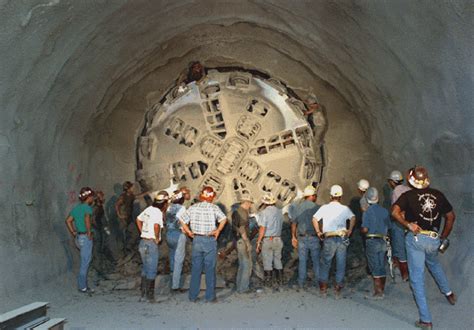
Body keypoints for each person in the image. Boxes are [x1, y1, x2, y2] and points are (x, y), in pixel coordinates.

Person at [392, 166, 456, 329]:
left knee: (417, 278)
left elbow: (394, 212)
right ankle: (449, 294)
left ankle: (426, 319)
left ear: (411, 180)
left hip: (416, 239)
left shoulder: (407, 196)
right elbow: (450, 216)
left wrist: (408, 224)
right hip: (433, 239)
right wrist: (443, 236)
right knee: (434, 264)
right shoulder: (438, 195)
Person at [180, 186, 227, 302]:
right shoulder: (214, 208)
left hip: (197, 239)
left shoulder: (193, 207)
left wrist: (189, 231)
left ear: (201, 196)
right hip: (209, 240)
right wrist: (218, 230)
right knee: (210, 269)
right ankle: (210, 296)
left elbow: (181, 219)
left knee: (196, 269)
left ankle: (193, 296)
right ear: (212, 197)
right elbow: (224, 219)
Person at [312, 185, 355, 298]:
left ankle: (323, 290)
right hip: (341, 238)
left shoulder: (325, 208)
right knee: (341, 264)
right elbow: (353, 217)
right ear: (340, 197)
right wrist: (350, 230)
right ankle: (337, 291)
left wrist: (318, 232)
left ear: (330, 196)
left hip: (329, 238)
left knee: (326, 264)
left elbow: (315, 219)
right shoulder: (345, 209)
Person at [136, 191, 169, 303]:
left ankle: (143, 295)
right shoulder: (157, 213)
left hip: (143, 242)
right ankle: (150, 297)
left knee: (145, 269)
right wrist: (156, 238)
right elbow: (156, 225)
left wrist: (142, 232)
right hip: (151, 243)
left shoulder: (149, 209)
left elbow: (138, 219)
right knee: (152, 270)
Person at [361, 187, 391, 299]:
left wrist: (363, 230)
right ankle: (382, 289)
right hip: (383, 240)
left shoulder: (367, 212)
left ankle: (378, 292)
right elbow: (389, 226)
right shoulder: (384, 211)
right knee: (381, 265)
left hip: (372, 240)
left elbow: (365, 229)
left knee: (374, 266)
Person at [290, 185, 321, 288]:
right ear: (312, 196)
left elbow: (294, 223)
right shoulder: (317, 207)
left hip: (302, 238)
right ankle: (318, 282)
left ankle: (301, 283)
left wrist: (293, 237)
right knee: (316, 261)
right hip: (314, 237)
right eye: (315, 195)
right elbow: (321, 223)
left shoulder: (298, 207)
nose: (316, 197)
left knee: (302, 261)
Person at [65, 187, 95, 293]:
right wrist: (89, 233)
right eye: (92, 197)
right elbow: (87, 220)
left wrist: (73, 232)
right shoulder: (87, 208)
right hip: (85, 237)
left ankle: (83, 285)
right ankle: (82, 287)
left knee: (84, 261)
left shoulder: (76, 208)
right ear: (89, 197)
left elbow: (68, 220)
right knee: (85, 262)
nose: (93, 199)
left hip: (78, 237)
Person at [255, 193, 284, 288]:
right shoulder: (280, 212)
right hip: (278, 239)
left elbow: (262, 228)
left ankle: (268, 283)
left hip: (268, 239)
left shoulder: (264, 213)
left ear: (265, 203)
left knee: (267, 262)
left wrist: (259, 242)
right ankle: (280, 282)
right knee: (278, 260)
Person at [387, 170, 411, 281]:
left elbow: (395, 210)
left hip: (399, 223)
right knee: (408, 249)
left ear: (392, 182)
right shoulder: (408, 188)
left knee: (400, 250)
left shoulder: (396, 191)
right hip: (410, 223)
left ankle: (405, 275)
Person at [115, 181, 149, 253]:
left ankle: (128, 248)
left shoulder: (130, 195)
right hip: (123, 218)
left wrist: (145, 193)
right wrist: (120, 215)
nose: (133, 188)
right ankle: (123, 249)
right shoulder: (123, 196)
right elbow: (117, 205)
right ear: (128, 188)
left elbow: (137, 196)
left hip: (128, 216)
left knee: (129, 231)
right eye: (131, 187)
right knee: (124, 233)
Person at [232, 192, 254, 293]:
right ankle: (244, 288)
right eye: (250, 203)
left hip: (237, 241)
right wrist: (248, 243)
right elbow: (242, 228)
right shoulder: (243, 212)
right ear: (246, 202)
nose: (250, 205)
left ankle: (239, 286)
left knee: (241, 264)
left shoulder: (236, 212)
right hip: (242, 240)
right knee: (247, 265)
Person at [166, 190, 187, 291]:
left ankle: (171, 280)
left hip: (169, 233)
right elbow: (183, 221)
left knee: (172, 257)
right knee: (179, 260)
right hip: (178, 234)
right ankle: (176, 285)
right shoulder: (182, 208)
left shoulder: (169, 207)